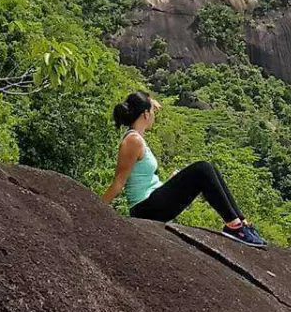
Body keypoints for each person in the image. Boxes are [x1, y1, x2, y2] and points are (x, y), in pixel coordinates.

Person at [102, 91, 268, 246]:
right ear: (145, 114)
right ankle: (234, 226)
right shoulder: (133, 141)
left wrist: (149, 101)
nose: (154, 115)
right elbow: (119, 181)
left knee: (210, 168)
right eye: (152, 111)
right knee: (202, 169)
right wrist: (96, 207)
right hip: (145, 209)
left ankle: (241, 223)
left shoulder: (138, 137)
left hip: (153, 201)